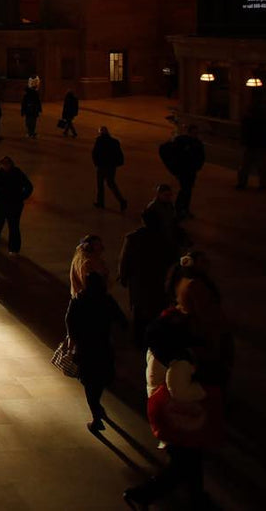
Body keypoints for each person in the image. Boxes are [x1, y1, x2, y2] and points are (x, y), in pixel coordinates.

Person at [122, 278, 227, 510]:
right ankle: (143, 494)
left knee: (191, 455)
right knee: (184, 461)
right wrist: (202, 390)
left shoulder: (171, 324)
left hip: (170, 400)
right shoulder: (181, 339)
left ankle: (197, 497)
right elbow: (179, 384)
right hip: (178, 406)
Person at [65, 270, 126, 432]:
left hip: (85, 348)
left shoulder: (78, 300)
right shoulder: (107, 300)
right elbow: (122, 320)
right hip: (103, 345)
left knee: (88, 381)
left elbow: (70, 322)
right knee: (99, 380)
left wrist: (73, 341)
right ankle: (97, 406)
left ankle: (96, 414)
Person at [118, 209, 176, 348]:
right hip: (157, 281)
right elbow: (172, 259)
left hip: (138, 282)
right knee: (156, 311)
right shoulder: (164, 238)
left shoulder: (133, 238)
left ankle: (139, 341)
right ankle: (155, 340)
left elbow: (124, 260)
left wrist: (124, 277)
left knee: (139, 312)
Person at [0, 156, 33, 256]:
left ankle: (13, 249)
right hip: (1, 205)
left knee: (13, 227)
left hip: (13, 205)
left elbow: (29, 186)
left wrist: (21, 197)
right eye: (3, 164)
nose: (5, 166)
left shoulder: (17, 173)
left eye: (7, 164)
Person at [162, 126, 205, 219]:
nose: (195, 135)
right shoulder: (182, 142)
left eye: (196, 133)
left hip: (191, 171)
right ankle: (180, 209)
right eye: (193, 133)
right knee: (185, 190)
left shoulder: (196, 143)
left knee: (187, 190)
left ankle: (183, 209)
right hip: (184, 171)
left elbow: (201, 156)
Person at [235, 108, 266, 190]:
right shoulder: (263, 123)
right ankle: (263, 185)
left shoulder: (250, 122)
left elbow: (245, 133)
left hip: (253, 147)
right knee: (261, 167)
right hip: (259, 147)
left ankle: (242, 183)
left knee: (245, 166)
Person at [91, 126, 127, 211]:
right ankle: (121, 200)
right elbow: (119, 154)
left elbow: (95, 153)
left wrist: (96, 163)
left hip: (102, 166)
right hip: (111, 167)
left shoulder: (99, 141)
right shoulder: (115, 142)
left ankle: (100, 202)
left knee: (100, 185)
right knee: (111, 183)